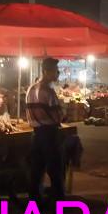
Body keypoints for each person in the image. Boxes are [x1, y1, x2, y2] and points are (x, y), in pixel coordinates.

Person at [26, 57, 65, 205]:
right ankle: (58, 203)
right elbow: (58, 116)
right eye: (56, 71)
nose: (58, 74)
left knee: (36, 170)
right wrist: (62, 113)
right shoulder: (48, 91)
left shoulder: (30, 89)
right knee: (55, 170)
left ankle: (35, 202)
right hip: (49, 134)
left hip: (36, 134)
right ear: (46, 71)